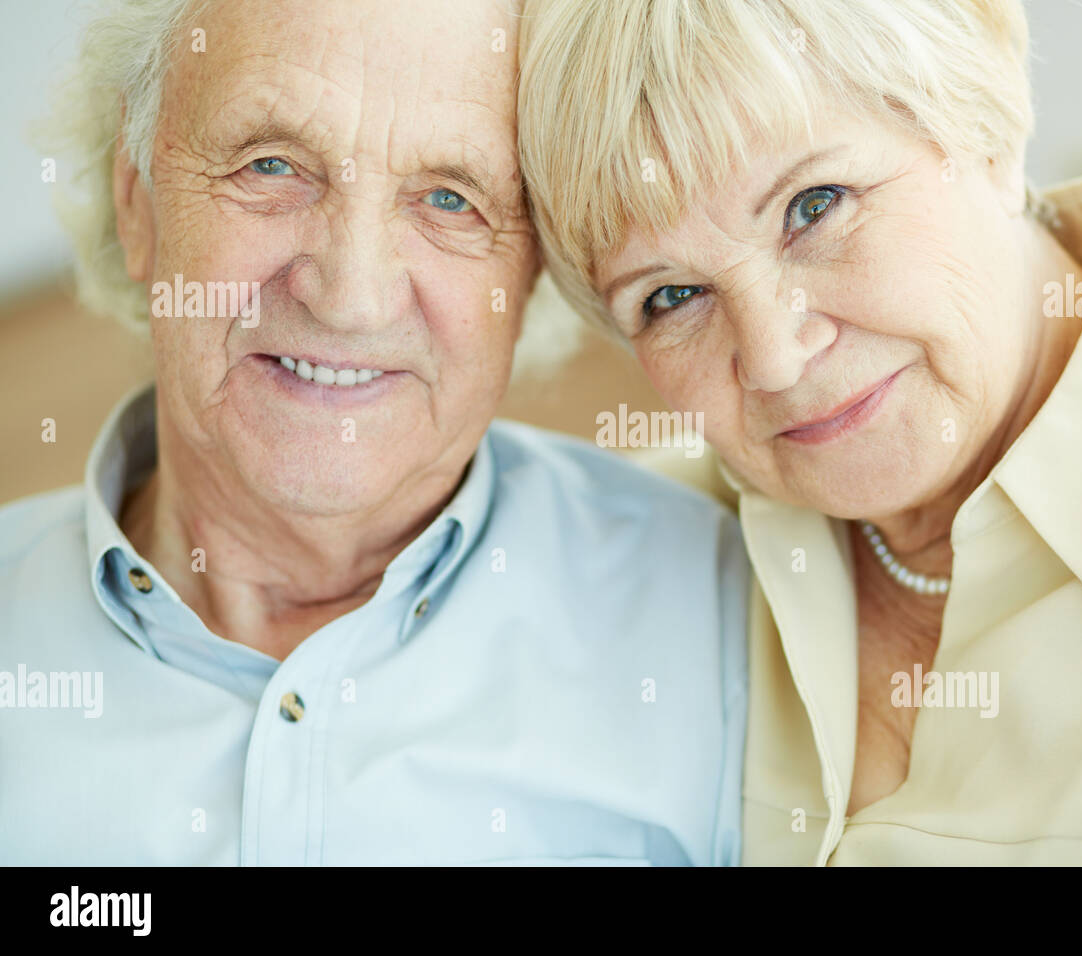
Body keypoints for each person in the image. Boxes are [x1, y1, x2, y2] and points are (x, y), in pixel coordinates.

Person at [517, 0, 1082, 864]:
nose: (774, 358)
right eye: (670, 297)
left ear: (985, 129)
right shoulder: (637, 549)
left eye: (814, 206)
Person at [0, 0, 748, 866]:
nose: (351, 297)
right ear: (140, 200)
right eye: (272, 165)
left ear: (535, 266)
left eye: (448, 199)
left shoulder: (727, 620)